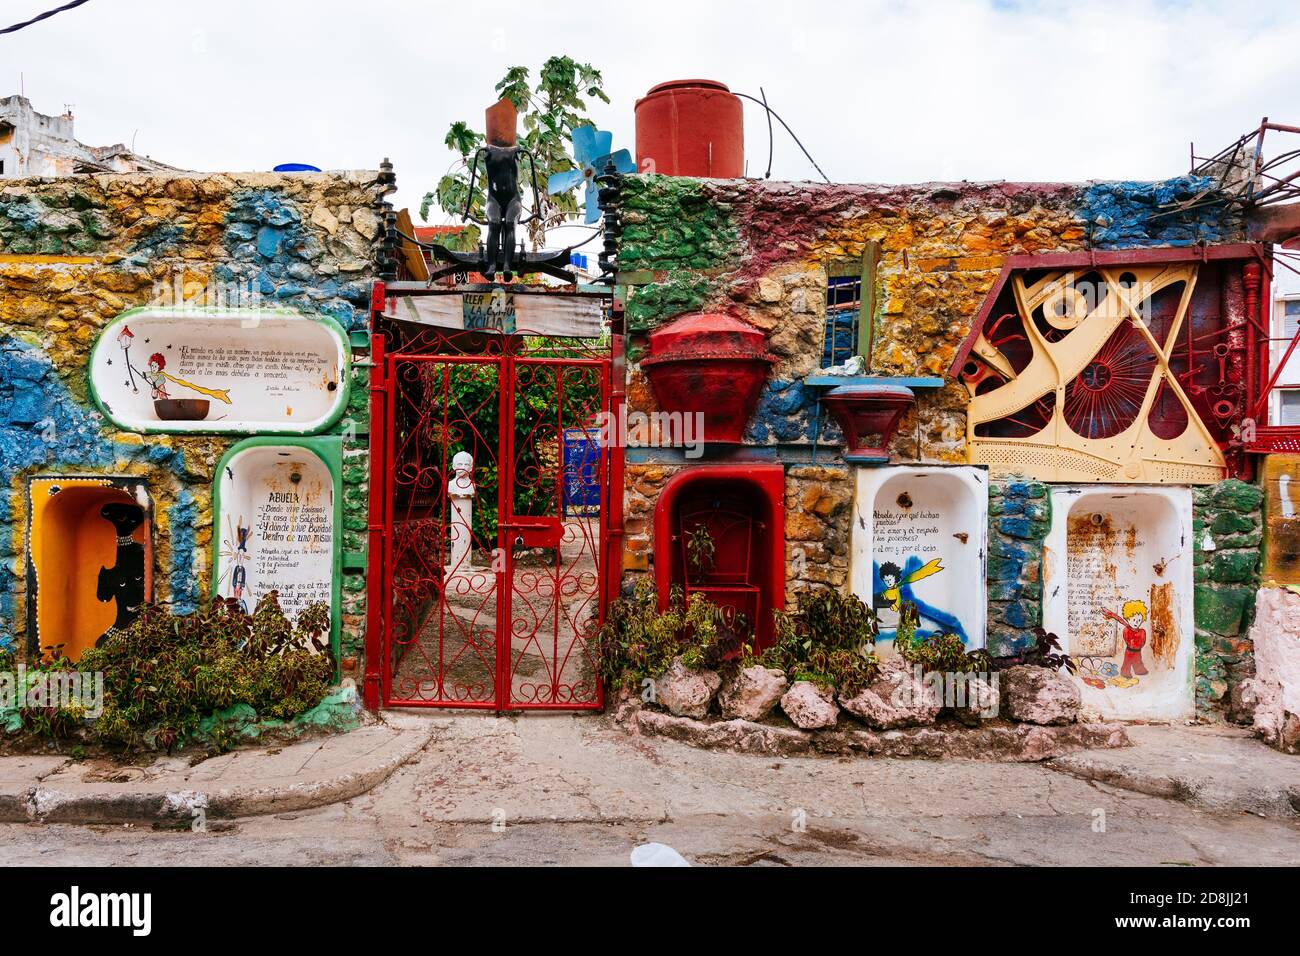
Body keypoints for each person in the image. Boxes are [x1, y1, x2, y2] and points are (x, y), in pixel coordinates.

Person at [1102, 600, 1150, 678]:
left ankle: (1139, 670)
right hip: (1129, 651)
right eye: (1134, 620)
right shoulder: (1127, 630)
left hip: (1138, 651)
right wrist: (1110, 614)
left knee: (1138, 661)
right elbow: (1120, 621)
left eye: (1139, 620)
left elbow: (1143, 642)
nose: (1136, 622)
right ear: (1128, 618)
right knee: (1127, 662)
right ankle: (1125, 672)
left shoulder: (1142, 631)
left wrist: (1138, 644)